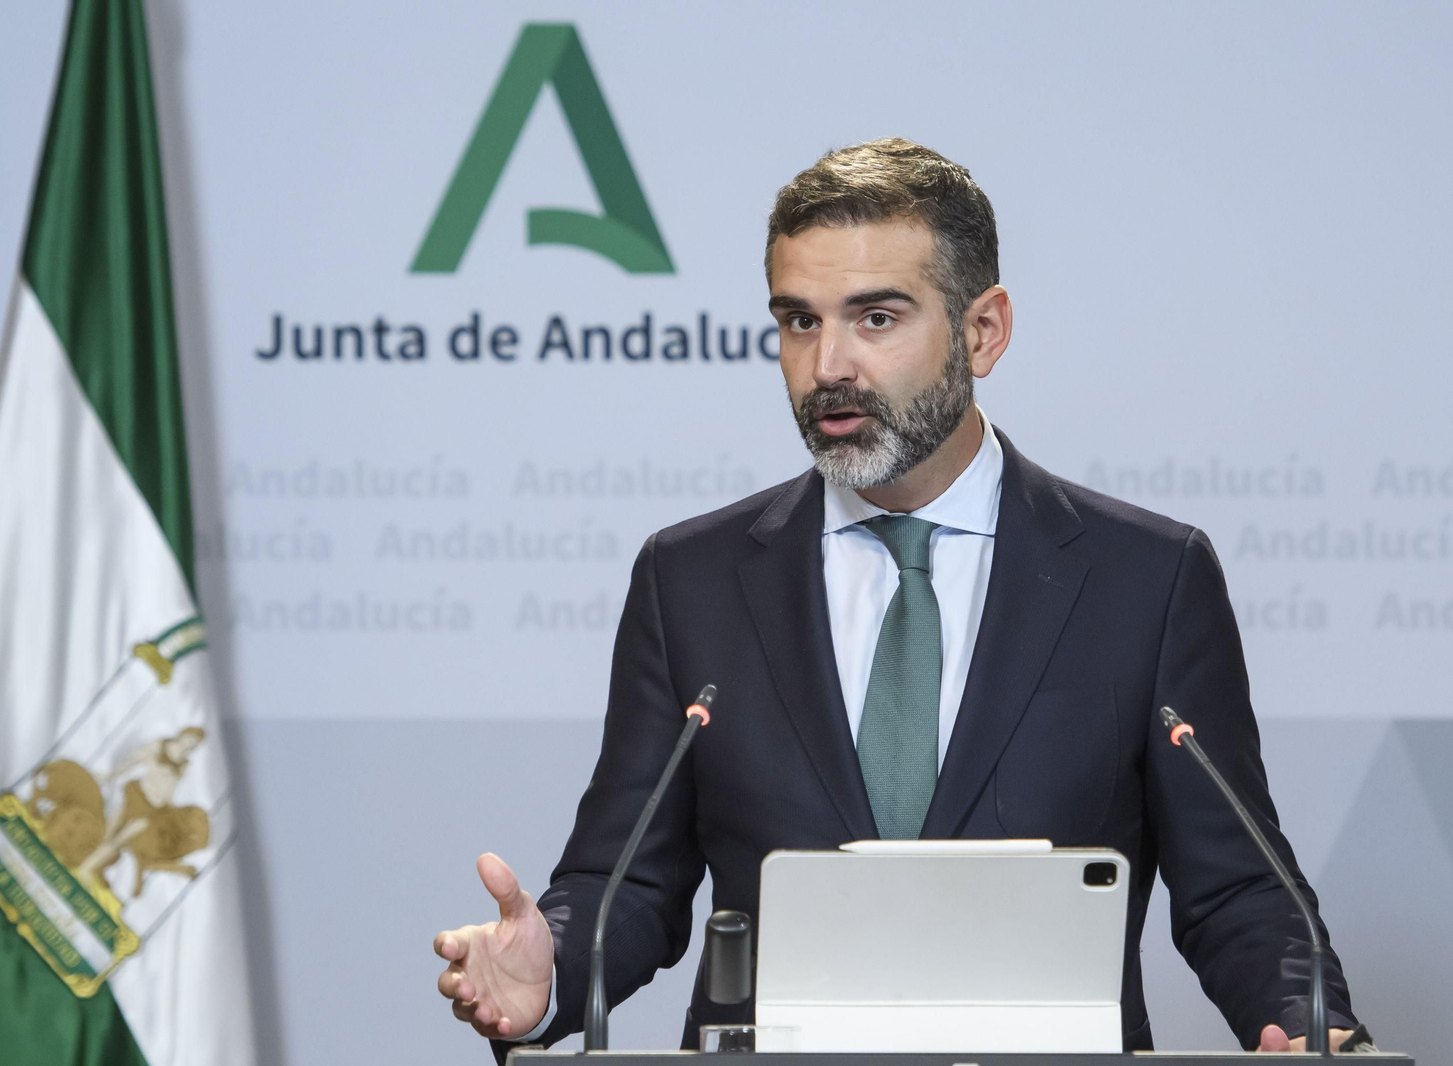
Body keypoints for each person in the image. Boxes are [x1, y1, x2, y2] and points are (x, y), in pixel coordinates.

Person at [433, 138, 1357, 1055]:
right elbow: (628, 876)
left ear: (983, 330)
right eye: (799, 321)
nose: (828, 363)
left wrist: (1313, 1027)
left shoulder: (1146, 580)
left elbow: (1239, 886)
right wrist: (550, 965)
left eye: (876, 319)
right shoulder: (694, 579)